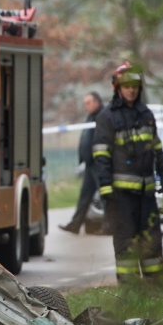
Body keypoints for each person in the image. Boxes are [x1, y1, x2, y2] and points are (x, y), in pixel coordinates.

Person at [92, 62, 163, 283]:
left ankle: (157, 288)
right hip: (121, 196)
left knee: (151, 241)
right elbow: (101, 155)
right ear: (117, 88)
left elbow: (156, 147)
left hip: (146, 194)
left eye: (135, 86)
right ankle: (130, 291)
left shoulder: (146, 114)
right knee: (126, 243)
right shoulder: (107, 117)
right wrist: (106, 189)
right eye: (126, 86)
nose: (131, 90)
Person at [60, 91, 104, 234]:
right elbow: (86, 139)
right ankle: (75, 225)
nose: (85, 106)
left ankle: (110, 226)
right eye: (84, 103)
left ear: (96, 102)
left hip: (99, 163)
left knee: (105, 196)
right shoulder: (90, 117)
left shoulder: (102, 116)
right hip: (89, 164)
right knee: (84, 196)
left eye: (88, 103)